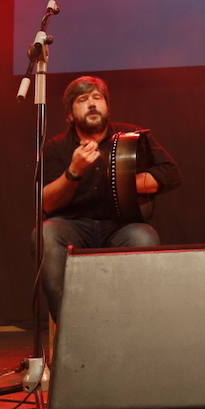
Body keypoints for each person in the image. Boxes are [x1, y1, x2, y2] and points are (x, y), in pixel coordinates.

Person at [38, 75, 180, 320]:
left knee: (143, 237)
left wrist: (126, 181)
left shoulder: (133, 137)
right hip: (73, 227)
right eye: (83, 100)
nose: (92, 104)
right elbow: (47, 203)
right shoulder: (55, 147)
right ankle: (71, 327)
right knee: (45, 233)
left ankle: (134, 325)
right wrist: (73, 172)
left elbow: (171, 174)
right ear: (70, 115)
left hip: (122, 226)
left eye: (97, 98)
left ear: (107, 106)